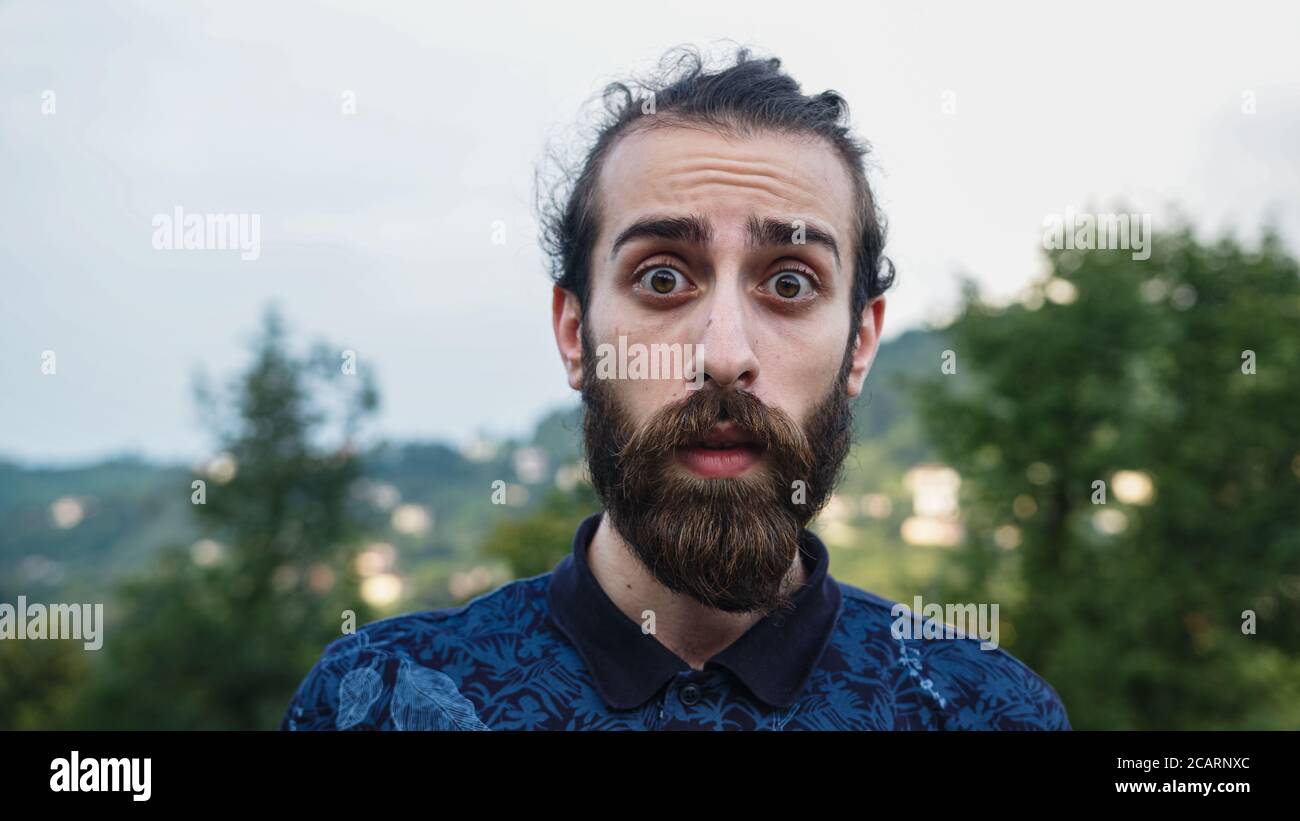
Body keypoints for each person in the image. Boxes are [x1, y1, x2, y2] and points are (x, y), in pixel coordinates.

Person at [282, 45, 1070, 731]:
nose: (724, 355)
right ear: (574, 333)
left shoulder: (987, 710)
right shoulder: (376, 699)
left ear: (860, 342)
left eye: (790, 283)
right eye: (662, 277)